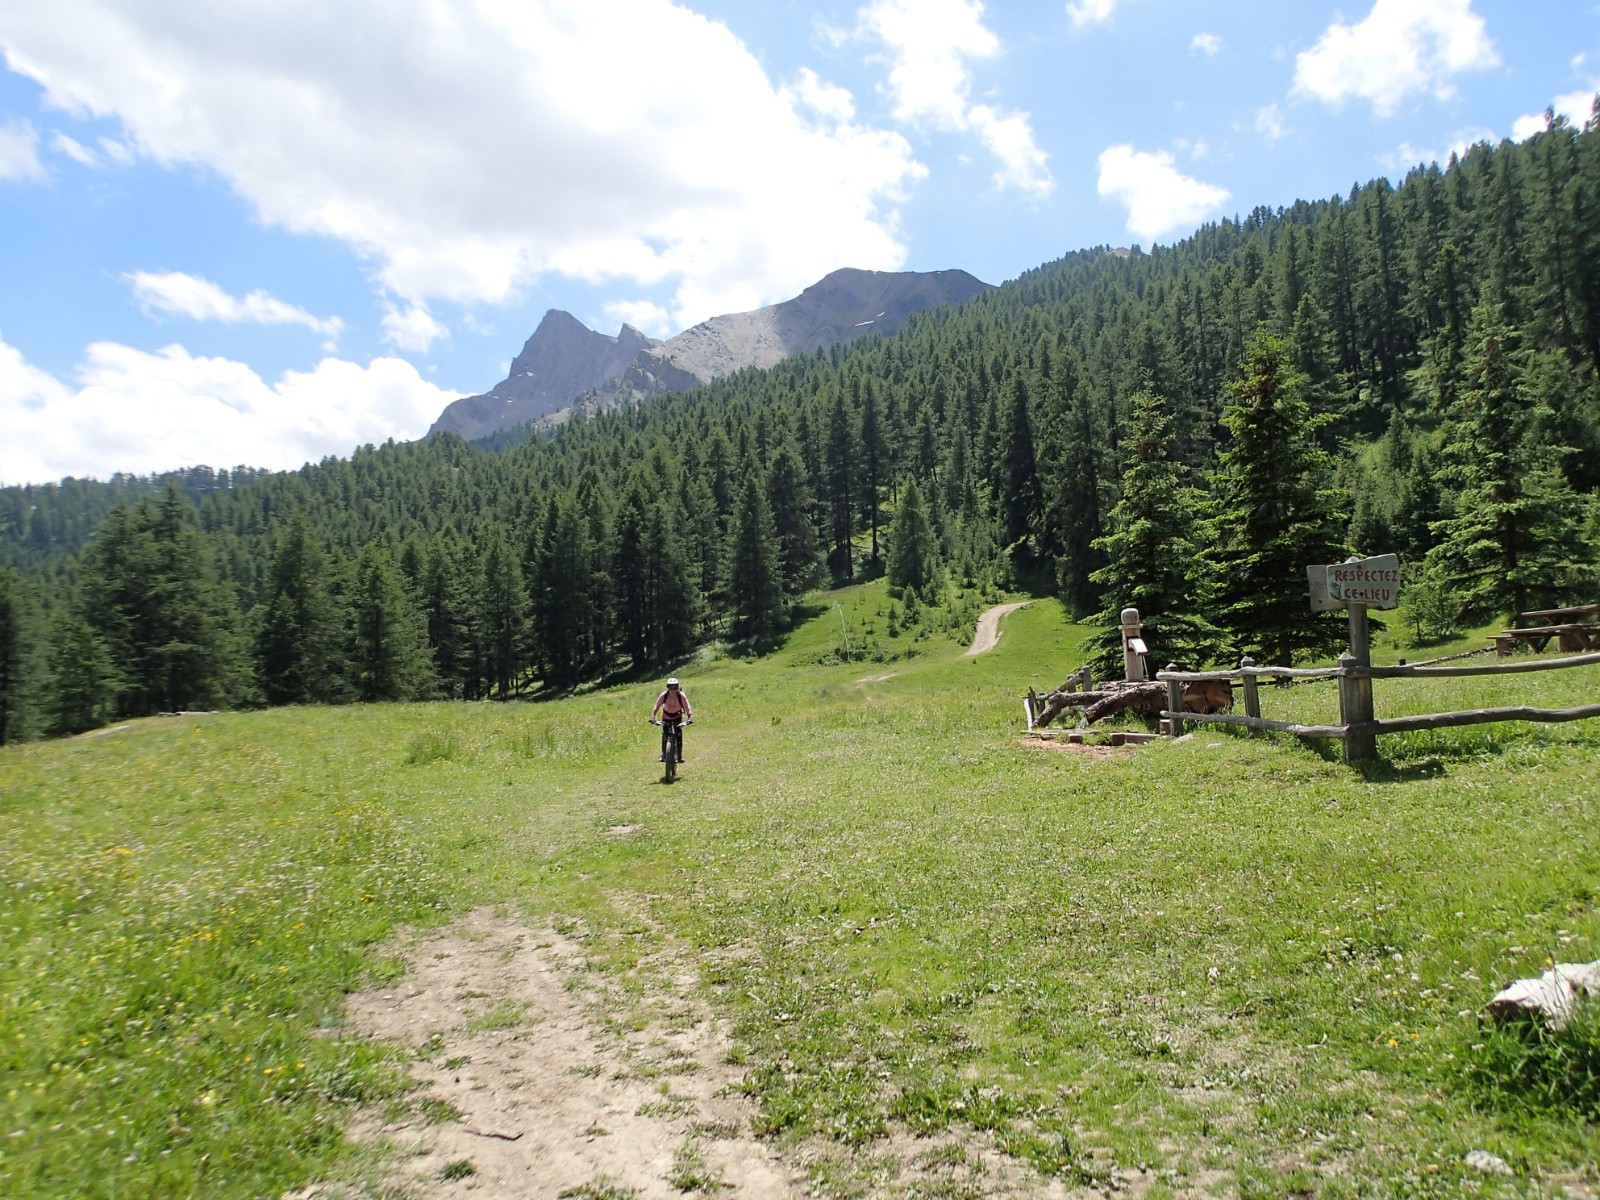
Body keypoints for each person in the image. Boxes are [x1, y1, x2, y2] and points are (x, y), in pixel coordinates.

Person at [651, 677, 693, 762]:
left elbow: (687, 707)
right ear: (668, 687)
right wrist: (653, 717)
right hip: (666, 716)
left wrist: (689, 718)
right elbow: (657, 706)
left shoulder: (681, 695)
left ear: (678, 687)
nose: (673, 690)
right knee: (665, 735)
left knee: (678, 735)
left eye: (675, 687)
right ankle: (664, 755)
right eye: (671, 687)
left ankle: (680, 756)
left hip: (677, 716)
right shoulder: (664, 695)